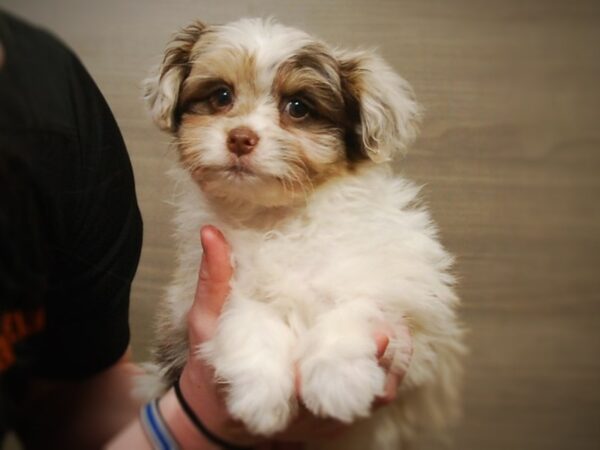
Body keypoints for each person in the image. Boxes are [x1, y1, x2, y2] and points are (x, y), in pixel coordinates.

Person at [0, 10, 405, 450]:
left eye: (297, 108)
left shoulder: (54, 98)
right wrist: (194, 420)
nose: (244, 131)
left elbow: (68, 391)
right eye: (221, 97)